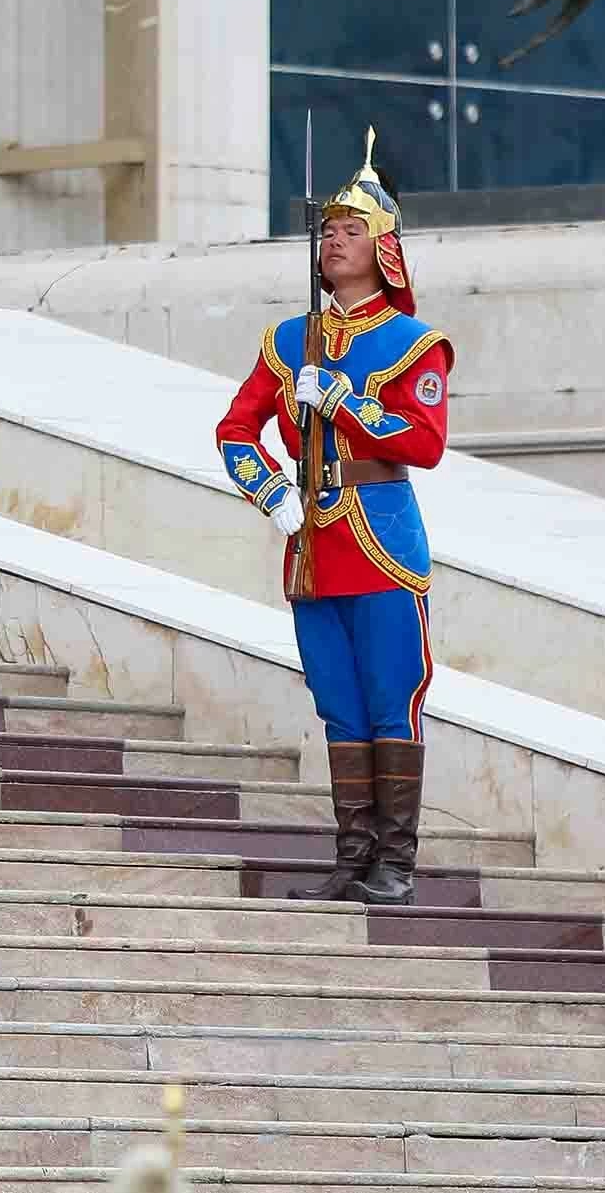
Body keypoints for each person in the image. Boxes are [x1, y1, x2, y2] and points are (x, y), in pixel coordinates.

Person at [212, 136, 455, 906]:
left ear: (385, 247)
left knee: (391, 697)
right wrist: (271, 493)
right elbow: (234, 429)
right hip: (312, 541)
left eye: (352, 227)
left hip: (380, 539)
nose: (335, 237)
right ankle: (352, 855)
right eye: (329, 228)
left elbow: (426, 442)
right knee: (339, 704)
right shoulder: (289, 340)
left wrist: (348, 402)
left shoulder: (414, 343)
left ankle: (395, 860)